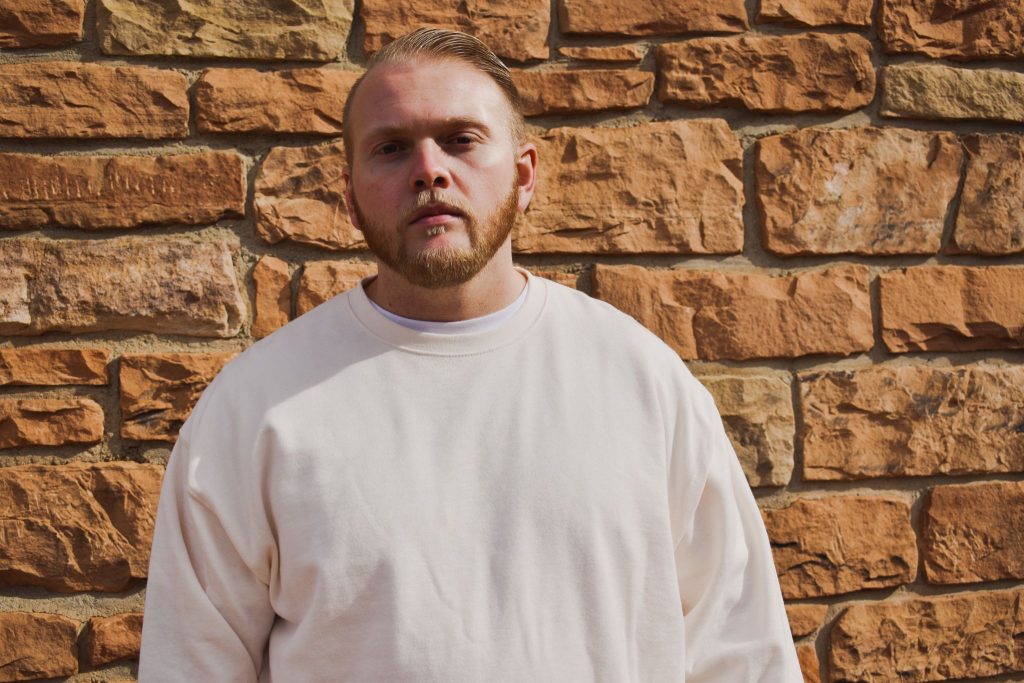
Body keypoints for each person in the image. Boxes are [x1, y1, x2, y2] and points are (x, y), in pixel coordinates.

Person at [138, 28, 802, 682]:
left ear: (524, 174)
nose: (429, 169)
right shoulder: (257, 408)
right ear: (349, 196)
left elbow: (742, 653)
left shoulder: (643, 383)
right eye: (392, 148)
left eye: (460, 139)